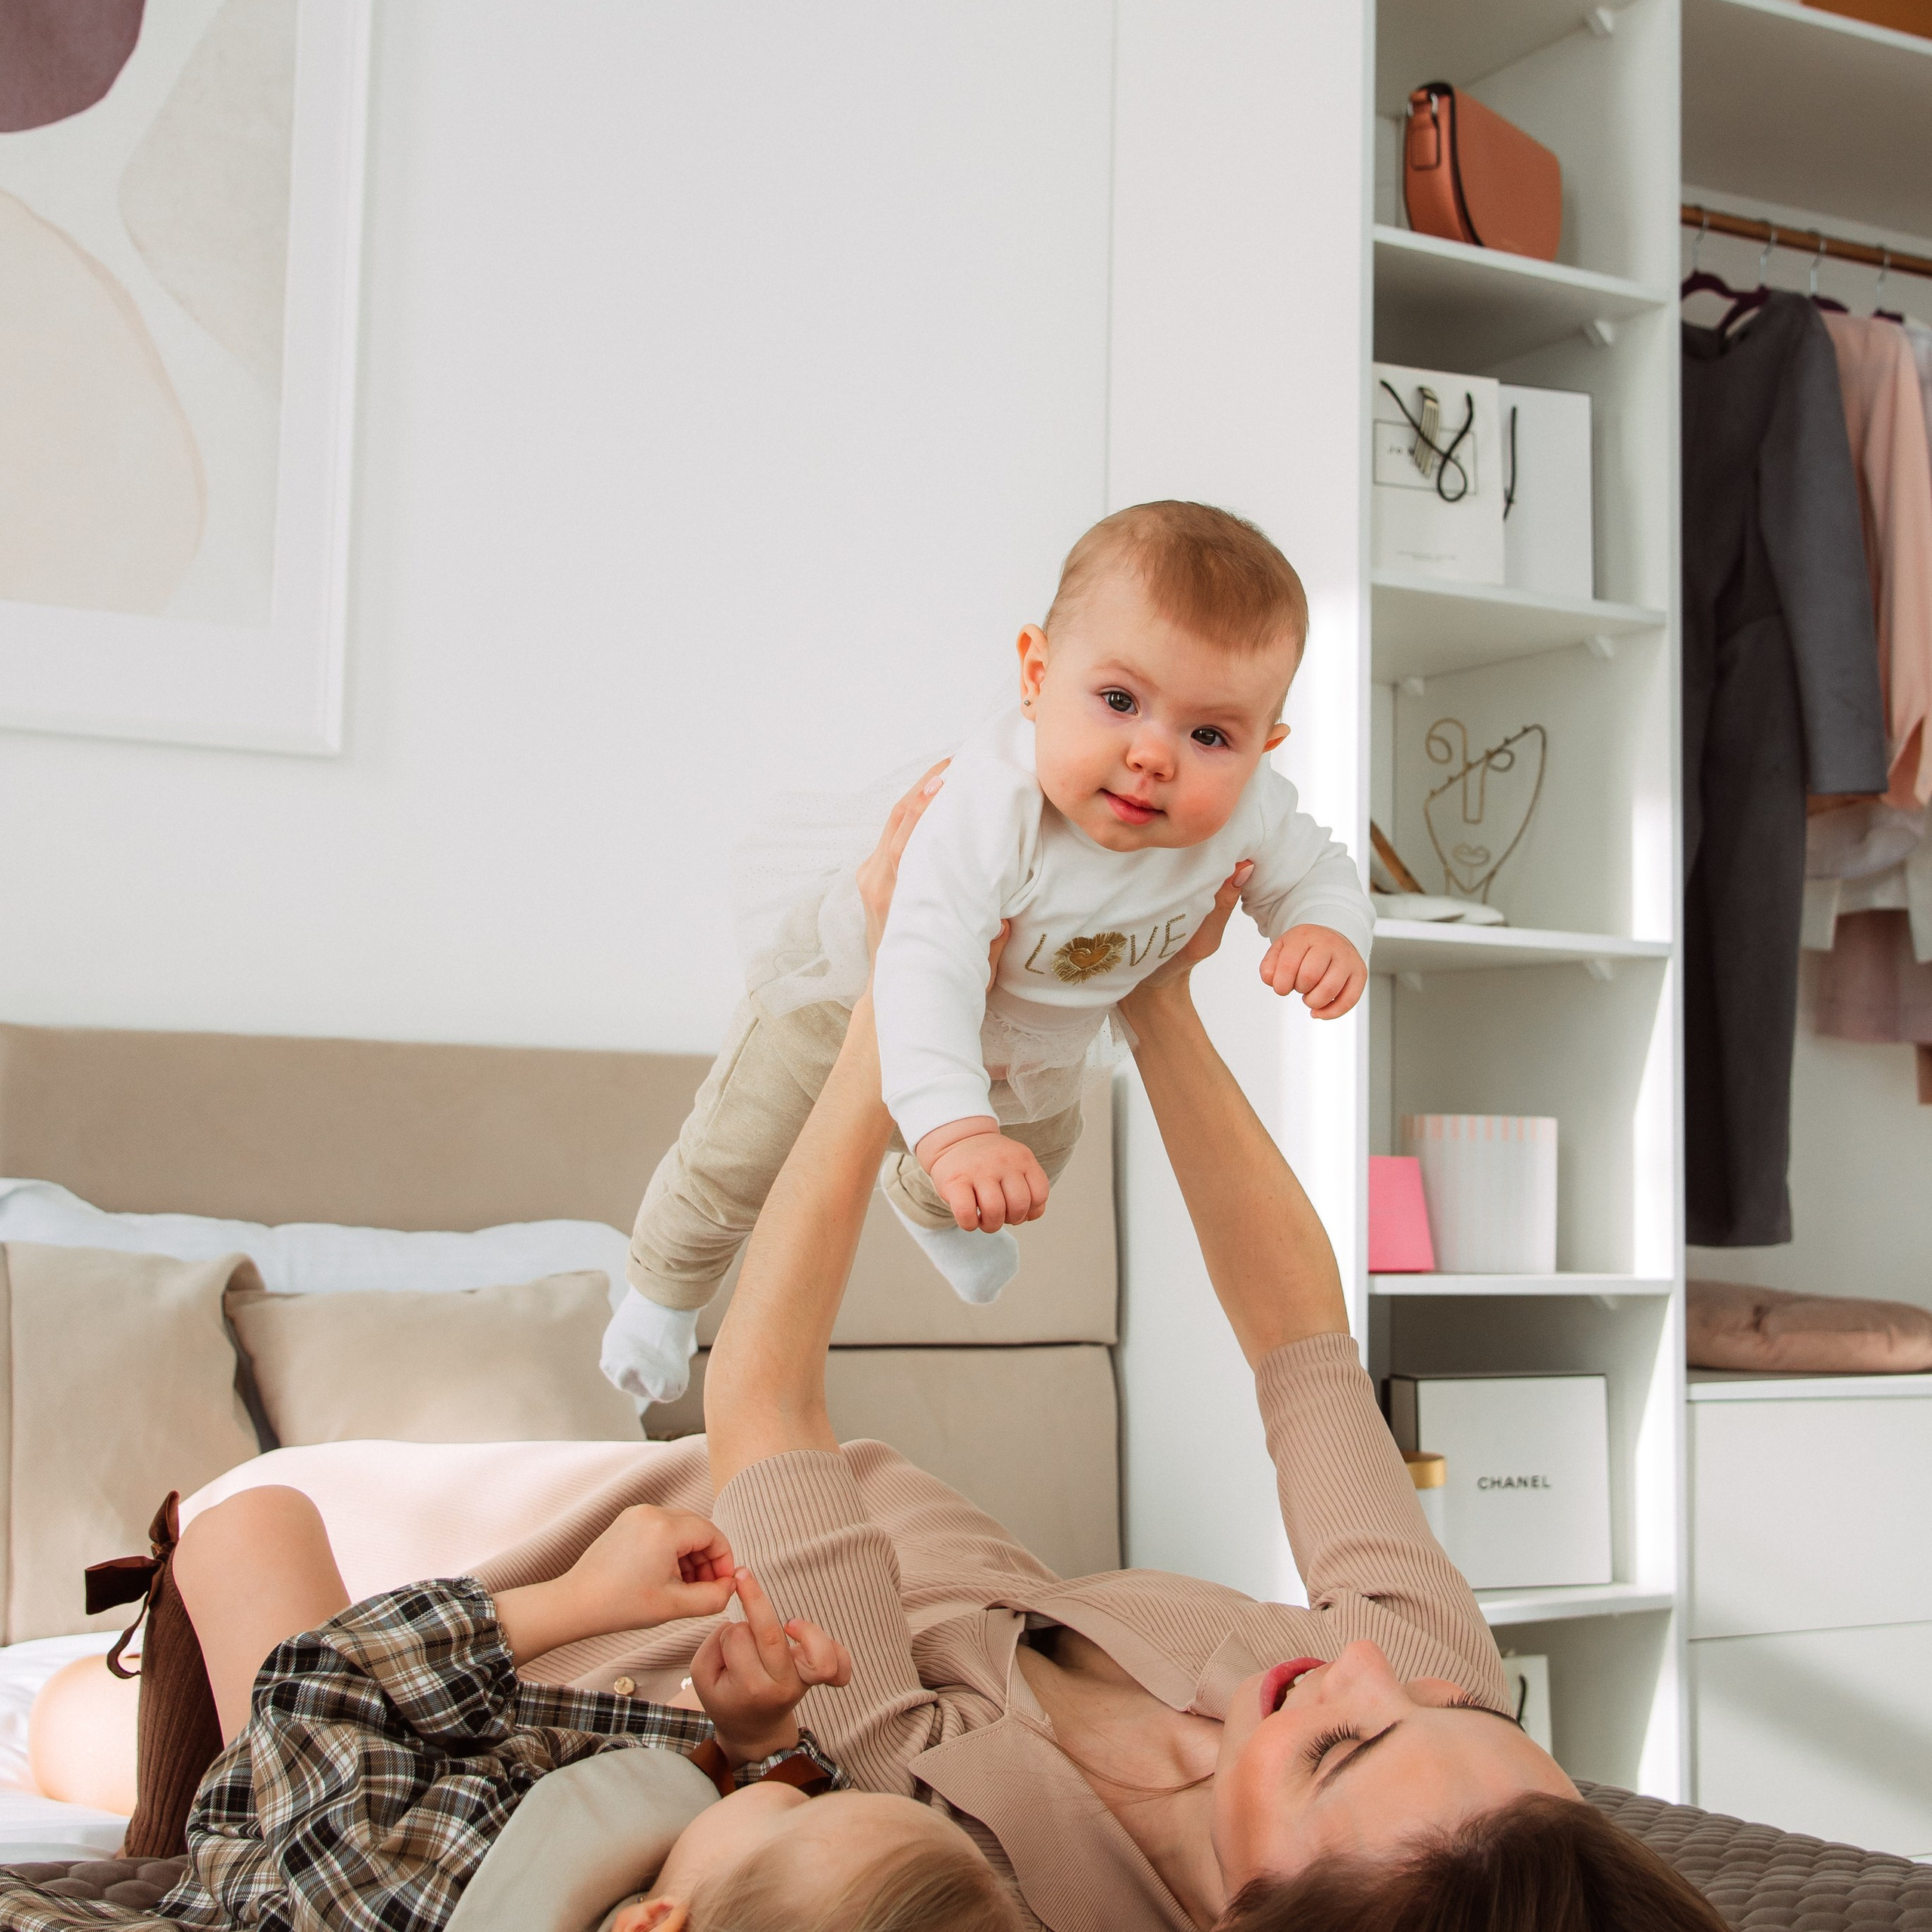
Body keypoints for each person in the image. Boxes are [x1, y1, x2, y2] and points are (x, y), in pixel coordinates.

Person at [474, 776, 1727, 1931]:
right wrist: (1156, 992)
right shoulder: (1445, 1740)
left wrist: (895, 1002)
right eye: (1453, 1704)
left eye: (1340, 1748)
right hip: (853, 1490)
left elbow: (759, 1400)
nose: (1362, 1668)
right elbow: (1302, 1345)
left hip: (625, 1583)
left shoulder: (952, 1866)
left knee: (275, 1535)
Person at [603, 500, 1375, 1402]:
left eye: (1210, 735)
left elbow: (1317, 867)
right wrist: (958, 1127)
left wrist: (1323, 928)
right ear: (1037, 676)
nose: (1153, 755)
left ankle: (930, 1202)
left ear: (1263, 749)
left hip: (1035, 1037)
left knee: (1034, 1164)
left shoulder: (1252, 808)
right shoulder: (991, 807)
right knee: (739, 1156)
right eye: (1119, 702)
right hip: (858, 998)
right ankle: (660, 1293)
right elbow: (924, 969)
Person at [1, 1488, 1019, 1932]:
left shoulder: (409, 1901)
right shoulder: (652, 1883)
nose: (807, 1780)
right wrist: (755, 1738)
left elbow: (317, 1689)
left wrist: (582, 1598)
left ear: (653, 1923)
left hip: (261, 1848)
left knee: (255, 1527)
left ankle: (89, 1728)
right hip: (319, 1806)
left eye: (803, 1805)